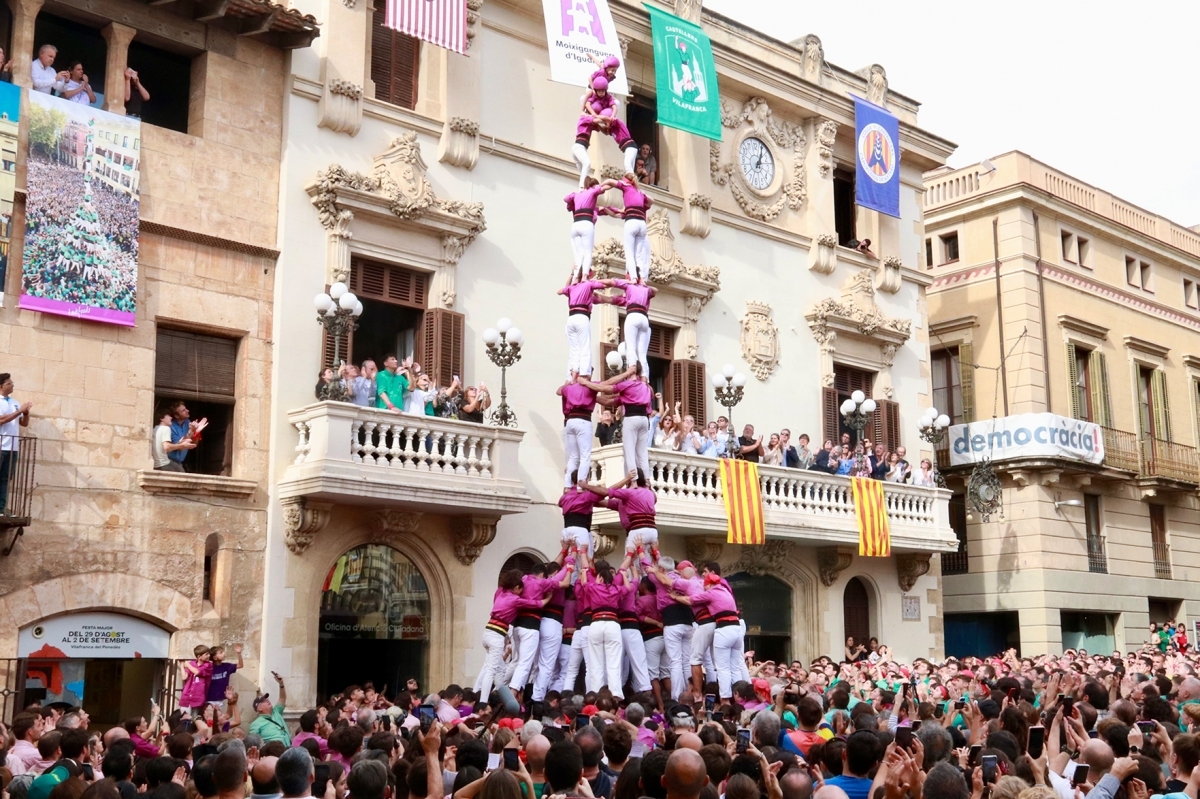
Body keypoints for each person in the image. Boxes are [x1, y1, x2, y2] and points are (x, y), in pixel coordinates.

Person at [475, 569, 550, 702]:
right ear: (516, 587)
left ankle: (493, 694)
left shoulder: (500, 592)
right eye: (521, 589)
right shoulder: (515, 599)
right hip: (497, 634)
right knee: (491, 670)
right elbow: (536, 604)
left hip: (488, 631)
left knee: (499, 668)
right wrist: (547, 598)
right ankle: (483, 701)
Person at [572, 77, 638, 186]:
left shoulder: (615, 122)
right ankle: (583, 187)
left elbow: (610, 116)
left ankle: (632, 185)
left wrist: (610, 116)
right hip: (578, 146)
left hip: (631, 147)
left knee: (627, 166)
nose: (607, 125)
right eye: (599, 91)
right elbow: (601, 126)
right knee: (586, 165)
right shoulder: (585, 119)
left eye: (603, 91)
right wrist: (591, 114)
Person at [558, 275, 615, 379]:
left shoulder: (573, 288)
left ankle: (571, 375)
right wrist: (595, 281)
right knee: (585, 347)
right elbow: (606, 285)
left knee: (574, 350)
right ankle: (584, 373)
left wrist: (571, 276)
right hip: (582, 317)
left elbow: (561, 291)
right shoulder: (588, 285)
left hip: (570, 319)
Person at [565, 178, 619, 281]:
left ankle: (576, 277)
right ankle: (584, 276)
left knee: (580, 255)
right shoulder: (592, 192)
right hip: (586, 226)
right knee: (587, 253)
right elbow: (604, 188)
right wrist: (616, 183)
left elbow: (566, 199)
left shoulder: (579, 197)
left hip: (576, 226)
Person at [611, 279, 658, 377]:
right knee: (642, 353)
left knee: (630, 348)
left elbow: (610, 286)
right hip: (645, 319)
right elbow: (655, 290)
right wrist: (643, 284)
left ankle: (631, 373)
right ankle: (645, 378)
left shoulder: (629, 286)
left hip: (633, 315)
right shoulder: (644, 291)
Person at [560, 373, 599, 489]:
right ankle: (581, 485)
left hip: (570, 421)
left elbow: (559, 391)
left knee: (573, 457)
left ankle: (567, 485)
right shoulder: (590, 386)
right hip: (583, 420)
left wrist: (571, 381)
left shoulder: (570, 388)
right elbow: (606, 385)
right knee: (585, 455)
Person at [0, 373, 31, 512]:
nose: (12, 385)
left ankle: (0, 508)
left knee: (5, 479)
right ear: (1, 386)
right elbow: (1, 420)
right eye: (9, 383)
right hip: (1, 446)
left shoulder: (15, 402)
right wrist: (19, 411)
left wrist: (25, 413)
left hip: (13, 448)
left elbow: (23, 424)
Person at [614, 174, 652, 283]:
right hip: (642, 226)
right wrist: (643, 194)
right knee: (639, 256)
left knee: (630, 253)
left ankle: (633, 277)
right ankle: (642, 279)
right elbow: (651, 201)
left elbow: (612, 182)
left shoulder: (627, 189)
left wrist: (601, 186)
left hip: (631, 223)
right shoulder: (640, 198)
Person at [249, 672, 292, 745]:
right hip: (274, 753)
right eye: (264, 701)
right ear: (259, 708)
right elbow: (255, 744)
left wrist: (281, 684)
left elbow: (282, 698)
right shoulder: (255, 724)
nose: (268, 700)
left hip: (288, 750)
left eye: (267, 699)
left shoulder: (276, 712)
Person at [167, 400, 207, 472]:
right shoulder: (171, 427)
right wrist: (191, 431)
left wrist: (197, 432)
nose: (187, 411)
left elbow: (194, 444)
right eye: (183, 410)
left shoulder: (187, 422)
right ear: (176, 416)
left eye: (186, 409)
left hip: (179, 462)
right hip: (169, 461)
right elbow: (182, 447)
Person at [180, 645, 214, 711]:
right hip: (187, 697)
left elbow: (197, 672)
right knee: (184, 719)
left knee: (195, 719)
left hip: (198, 698)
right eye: (206, 654)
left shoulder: (208, 665)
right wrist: (182, 664)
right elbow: (184, 677)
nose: (209, 655)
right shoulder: (192, 664)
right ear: (199, 657)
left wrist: (187, 665)